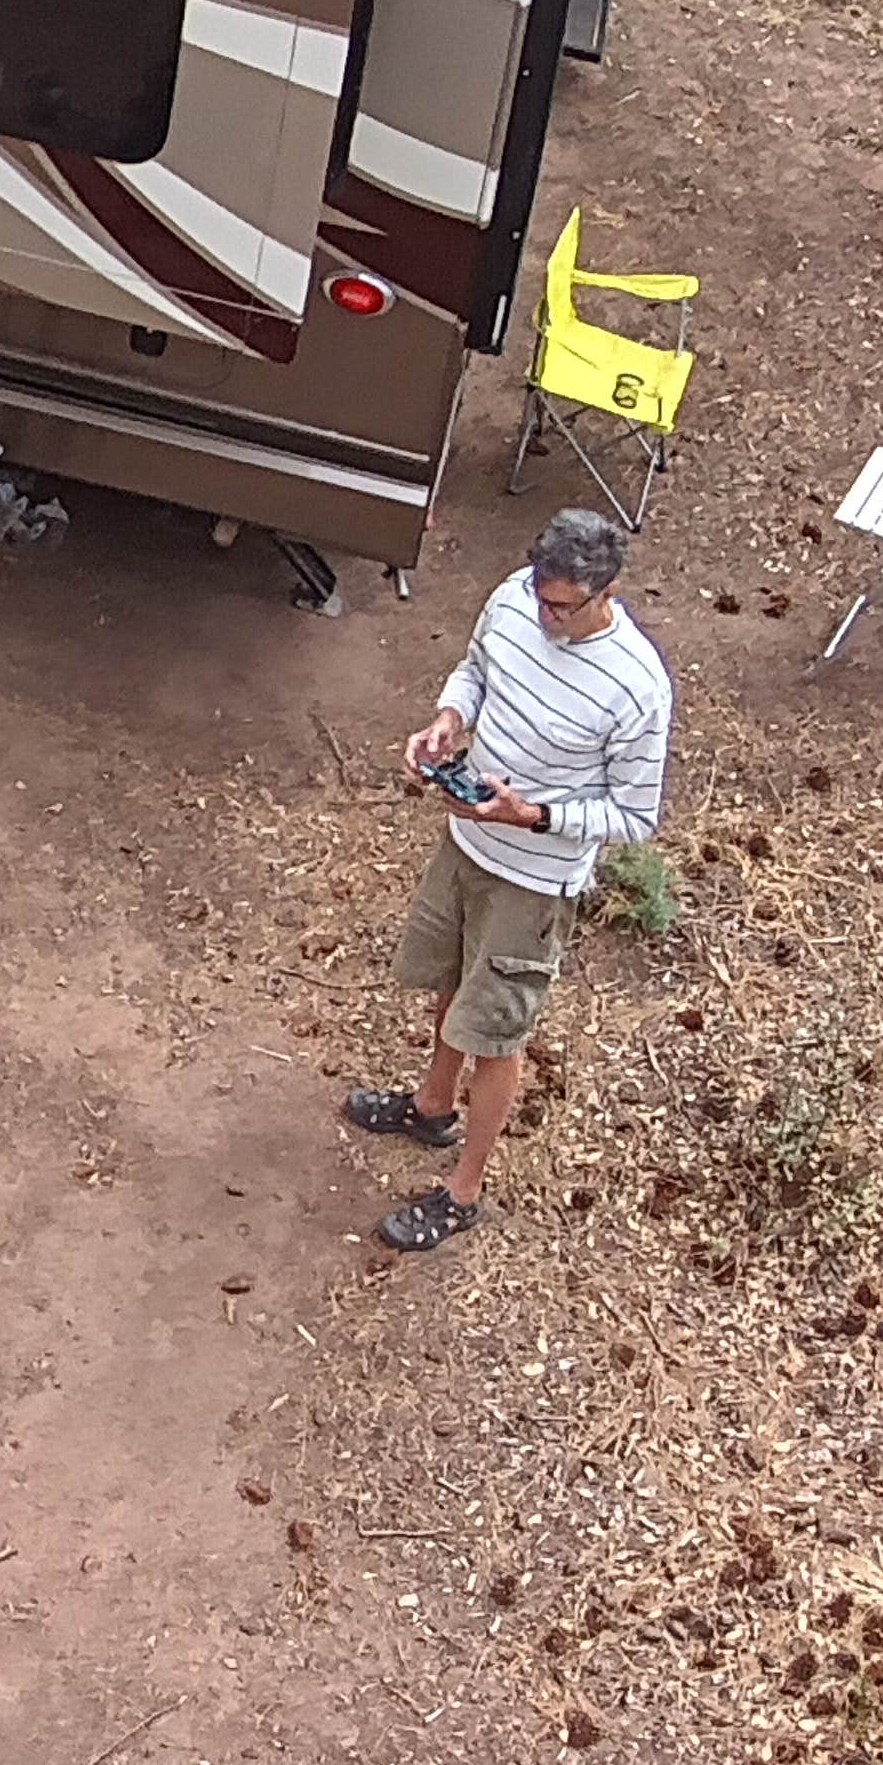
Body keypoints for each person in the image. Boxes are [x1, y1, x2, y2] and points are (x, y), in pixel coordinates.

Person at [346, 506, 671, 1253]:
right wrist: (449, 721)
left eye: (564, 606)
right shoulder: (514, 598)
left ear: (606, 590)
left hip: (532, 882)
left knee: (496, 1033)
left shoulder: (636, 688)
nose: (547, 616)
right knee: (451, 986)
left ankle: (462, 1193)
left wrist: (535, 815)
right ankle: (430, 1107)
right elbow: (476, 670)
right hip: (467, 844)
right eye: (541, 597)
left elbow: (635, 815)